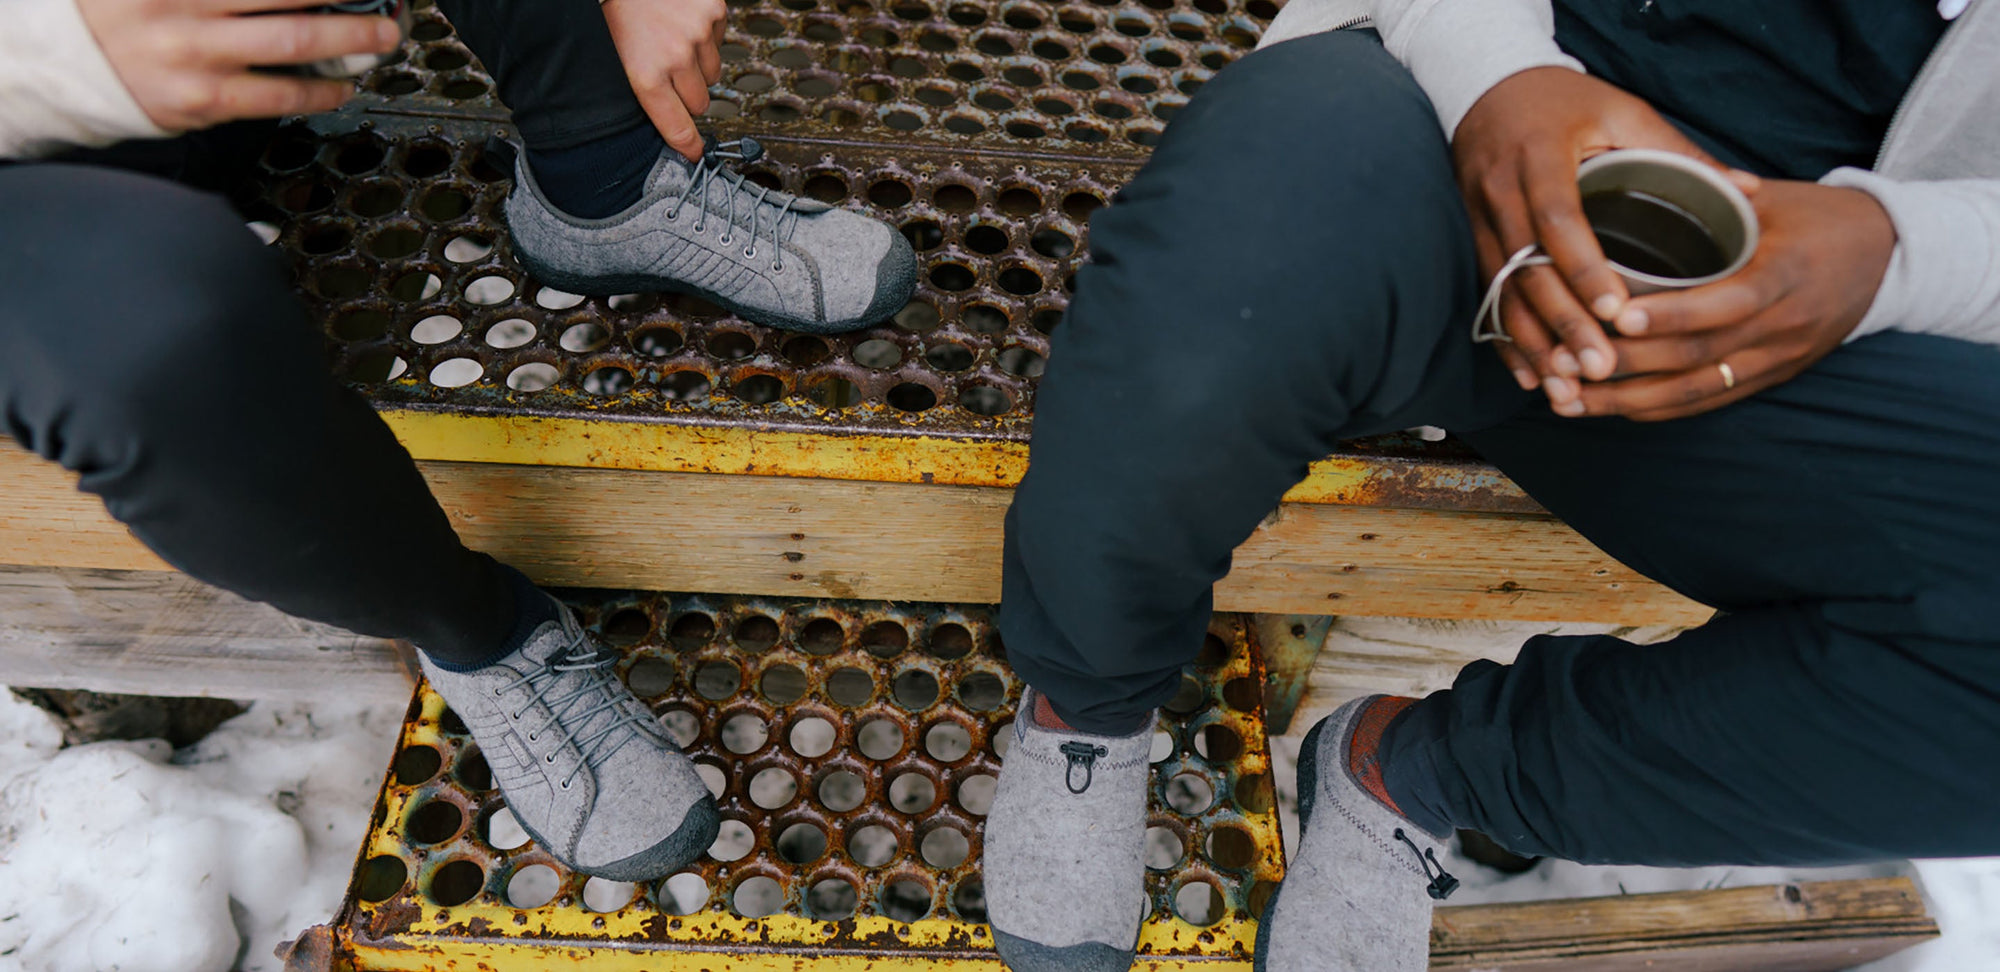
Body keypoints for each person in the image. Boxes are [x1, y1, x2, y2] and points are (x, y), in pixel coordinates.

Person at [980, 0, 2000, 969]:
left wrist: (1885, 253)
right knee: (1221, 293)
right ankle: (1088, 707)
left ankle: (1406, 772)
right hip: (1452, 101)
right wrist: (1497, 81)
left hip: (1815, 305)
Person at [0, 0, 913, 884]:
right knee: (153, 340)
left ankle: (607, 176)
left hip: (198, 63)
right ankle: (481, 635)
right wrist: (57, 49)